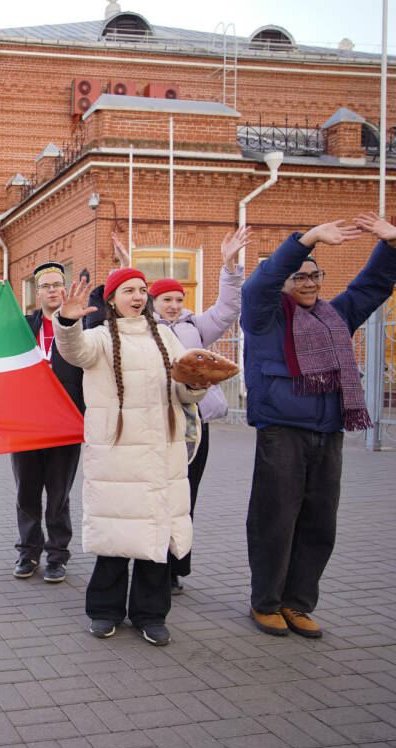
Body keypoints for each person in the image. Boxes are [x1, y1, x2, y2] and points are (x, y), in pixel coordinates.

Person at [242, 213, 396, 638]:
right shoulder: (265, 316)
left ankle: (298, 604)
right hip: (282, 431)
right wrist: (307, 240)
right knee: (275, 521)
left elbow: (369, 288)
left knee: (318, 523)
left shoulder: (335, 316)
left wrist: (391, 246)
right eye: (299, 276)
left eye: (315, 275)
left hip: (328, 433)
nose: (309, 282)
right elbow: (258, 282)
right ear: (284, 281)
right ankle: (266, 603)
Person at [53, 268, 207, 646]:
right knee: (117, 534)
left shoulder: (166, 337)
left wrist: (196, 385)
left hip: (161, 453)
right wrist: (68, 321)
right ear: (112, 300)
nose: (137, 297)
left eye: (142, 290)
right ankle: (104, 611)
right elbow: (74, 352)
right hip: (116, 456)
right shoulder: (100, 338)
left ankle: (151, 615)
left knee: (155, 538)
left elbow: (183, 393)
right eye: (128, 291)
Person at [141, 227, 252, 594]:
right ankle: (149, 562)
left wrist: (229, 264)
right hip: (156, 426)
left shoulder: (195, 327)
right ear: (153, 302)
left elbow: (228, 309)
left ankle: (175, 568)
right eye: (166, 299)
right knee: (156, 495)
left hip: (194, 427)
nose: (173, 305)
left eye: (178, 298)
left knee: (187, 494)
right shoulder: (143, 330)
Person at [11, 262, 85, 584]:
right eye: (46, 286)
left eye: (58, 284)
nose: (53, 290)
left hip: (65, 424)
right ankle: (28, 552)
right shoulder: (22, 328)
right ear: (37, 293)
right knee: (26, 492)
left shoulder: (80, 324)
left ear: (65, 290)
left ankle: (57, 556)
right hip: (25, 426)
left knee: (58, 494)